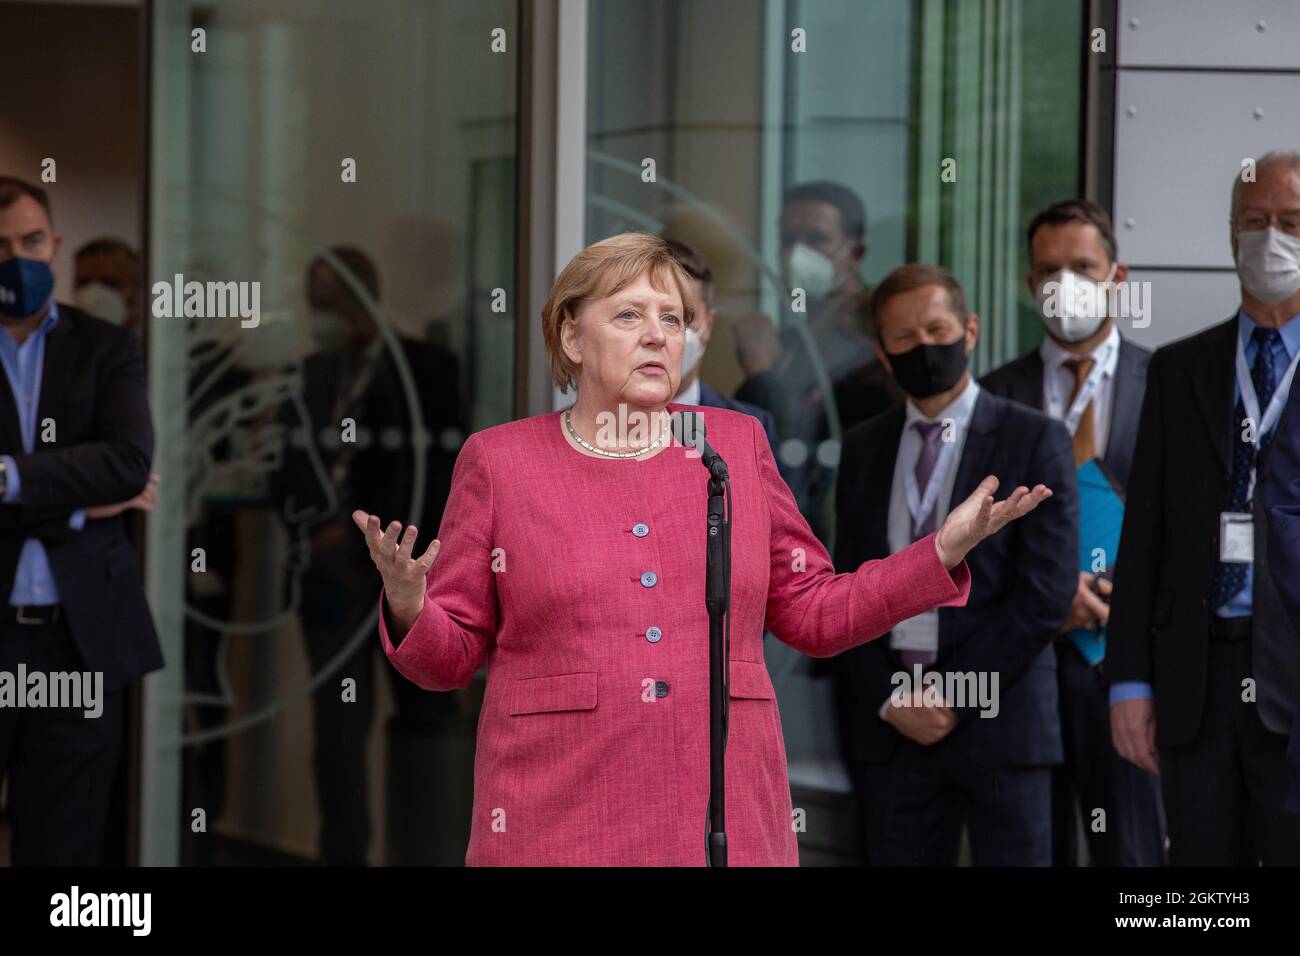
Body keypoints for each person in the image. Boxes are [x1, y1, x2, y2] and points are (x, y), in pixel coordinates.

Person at [351, 233, 1052, 866]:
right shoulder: (501, 462)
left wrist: (938, 552)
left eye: (674, 319)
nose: (659, 336)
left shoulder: (734, 445)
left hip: (723, 810)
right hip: (555, 813)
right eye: (630, 315)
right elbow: (449, 661)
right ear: (571, 336)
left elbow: (814, 611)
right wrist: (412, 606)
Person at [832, 264, 1078, 866]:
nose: (924, 347)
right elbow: (844, 587)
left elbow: (1044, 592)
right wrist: (894, 699)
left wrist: (951, 693)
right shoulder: (864, 446)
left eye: (937, 329)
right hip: (893, 732)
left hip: (1002, 721)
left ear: (969, 331)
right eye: (904, 338)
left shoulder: (1034, 438)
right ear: (882, 354)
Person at [1108, 150, 1300, 865]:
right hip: (1195, 680)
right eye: (1255, 222)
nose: (1270, 239)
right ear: (1229, 236)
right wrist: (1128, 680)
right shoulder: (1178, 368)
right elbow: (1144, 535)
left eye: (1291, 222)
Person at [981, 199, 1165, 866]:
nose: (1065, 284)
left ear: (1118, 276)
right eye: (1048, 270)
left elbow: (1188, 522)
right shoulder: (992, 395)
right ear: (1030, 285)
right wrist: (1050, 598)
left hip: (1133, 671)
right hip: (1025, 672)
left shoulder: (1172, 380)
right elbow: (976, 533)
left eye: (1082, 267)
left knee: (1136, 856)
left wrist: (1118, 595)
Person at [269, 246, 463, 865]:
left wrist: (374, 545)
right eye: (313, 304)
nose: (319, 316)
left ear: (364, 296)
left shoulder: (428, 369)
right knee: (337, 742)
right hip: (330, 585)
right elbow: (287, 473)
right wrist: (312, 528)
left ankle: (430, 853)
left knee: (427, 724)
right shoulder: (309, 373)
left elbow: (439, 477)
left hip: (410, 580)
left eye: (329, 302)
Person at [0, 175, 161, 864]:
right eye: (1, 246)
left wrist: (9, 477)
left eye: (32, 241)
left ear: (55, 244)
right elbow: (106, 476)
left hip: (80, 642)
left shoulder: (107, 346)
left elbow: (128, 462)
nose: (18, 259)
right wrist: (74, 503)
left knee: (64, 850)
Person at [734, 182, 895, 532]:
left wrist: (761, 374)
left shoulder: (878, 337)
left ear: (855, 253)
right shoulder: (792, 341)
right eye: (787, 240)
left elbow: (805, 436)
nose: (796, 254)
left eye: (816, 239)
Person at [662, 237, 778, 455]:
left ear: (710, 323)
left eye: (687, 316)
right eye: (665, 317)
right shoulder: (602, 425)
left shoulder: (752, 430)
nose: (662, 335)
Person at [73, 237, 142, 334]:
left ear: (136, 289)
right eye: (84, 283)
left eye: (109, 283)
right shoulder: (60, 344)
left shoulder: (158, 344)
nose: (94, 293)